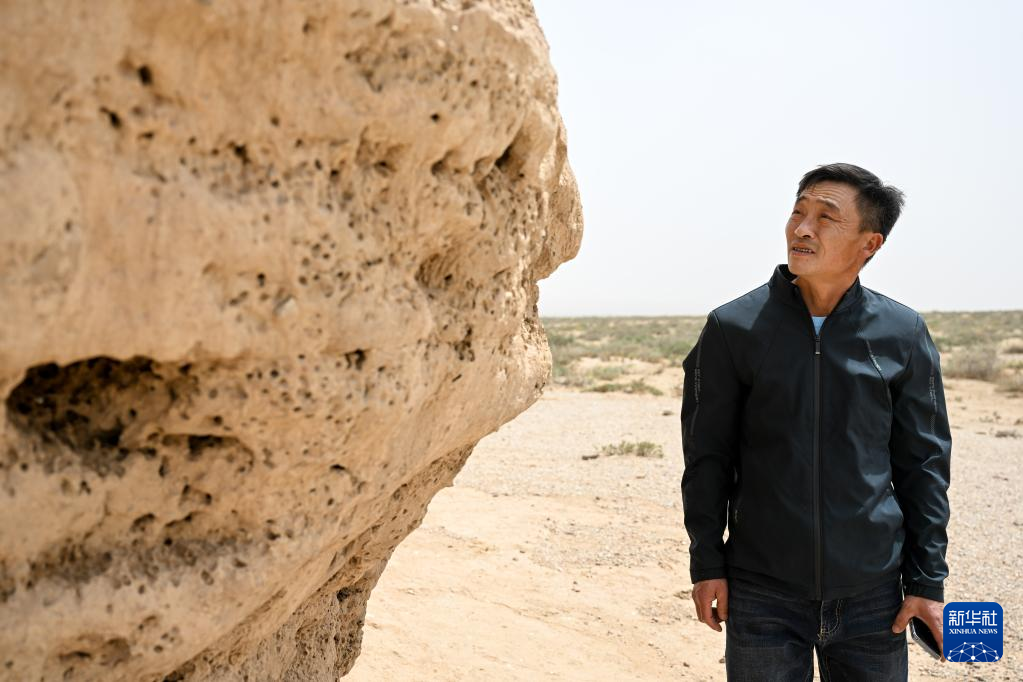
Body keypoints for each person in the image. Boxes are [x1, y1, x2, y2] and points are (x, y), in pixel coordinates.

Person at [679, 163, 952, 680]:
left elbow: (925, 465)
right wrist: (707, 564)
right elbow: (707, 458)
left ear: (869, 244)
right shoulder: (732, 328)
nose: (802, 228)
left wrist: (926, 582)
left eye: (826, 217)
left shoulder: (902, 333)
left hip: (874, 597)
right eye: (798, 212)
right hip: (762, 593)